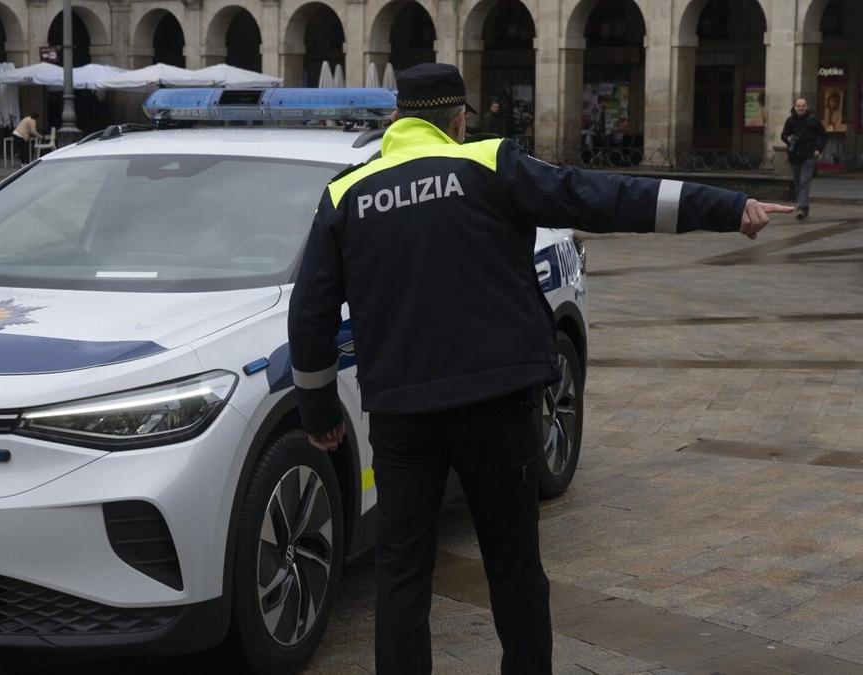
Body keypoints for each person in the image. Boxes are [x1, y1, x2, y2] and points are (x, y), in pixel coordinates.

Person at [287, 63, 790, 675]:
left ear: (396, 118)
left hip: (401, 415)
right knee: (514, 566)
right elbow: (603, 198)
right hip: (497, 406)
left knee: (402, 574)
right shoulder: (491, 165)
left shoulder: (346, 194)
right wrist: (725, 206)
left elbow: (309, 316)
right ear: (458, 119)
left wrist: (319, 415)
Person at [781, 97, 828, 219]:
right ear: (795, 107)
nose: (801, 108)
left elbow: (824, 135)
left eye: (803, 106)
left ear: (806, 107)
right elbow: (783, 135)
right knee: (798, 183)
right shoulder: (790, 121)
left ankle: (801, 207)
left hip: (809, 156)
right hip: (794, 156)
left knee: (804, 182)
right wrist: (788, 139)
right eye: (798, 106)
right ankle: (804, 207)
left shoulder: (813, 120)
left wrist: (819, 149)